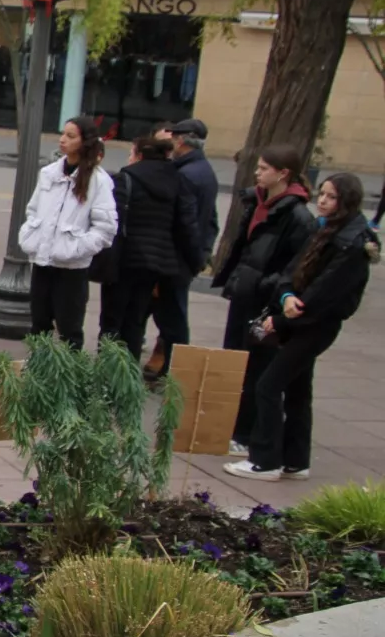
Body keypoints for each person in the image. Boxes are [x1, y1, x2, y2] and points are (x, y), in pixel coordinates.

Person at [224, 173, 375, 481]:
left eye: (331, 197)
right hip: (300, 319)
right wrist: (286, 295)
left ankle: (265, 461)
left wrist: (284, 315)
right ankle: (295, 461)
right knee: (297, 388)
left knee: (268, 385)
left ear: (346, 202)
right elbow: (291, 271)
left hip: (316, 325)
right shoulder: (324, 230)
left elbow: (327, 293)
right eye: (322, 194)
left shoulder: (351, 244)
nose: (322, 200)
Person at [211, 146, 315, 455]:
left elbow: (294, 268)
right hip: (243, 297)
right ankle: (235, 426)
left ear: (283, 173)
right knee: (235, 357)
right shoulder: (256, 201)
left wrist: (263, 286)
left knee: (257, 363)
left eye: (264, 168)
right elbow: (244, 249)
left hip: (265, 305)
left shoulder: (297, 216)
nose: (258, 173)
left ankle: (246, 433)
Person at [18, 117, 118, 350]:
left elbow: (105, 229)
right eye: (63, 134)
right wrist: (31, 234)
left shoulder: (99, 180)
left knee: (70, 330)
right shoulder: (49, 173)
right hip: (42, 261)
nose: (63, 140)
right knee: (39, 324)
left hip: (72, 268)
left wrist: (76, 248)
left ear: (85, 142)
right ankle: (38, 374)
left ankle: (68, 380)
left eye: (71, 136)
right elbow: (33, 210)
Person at [98, 135, 198, 359]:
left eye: (131, 152)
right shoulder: (178, 181)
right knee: (135, 319)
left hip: (124, 260)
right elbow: (186, 225)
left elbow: (112, 220)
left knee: (112, 321)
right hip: (155, 263)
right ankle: (129, 374)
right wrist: (194, 261)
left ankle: (107, 373)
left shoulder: (125, 179)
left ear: (140, 154)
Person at [144, 118, 220, 380]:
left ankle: (176, 372)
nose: (172, 142)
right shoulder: (202, 170)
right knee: (166, 315)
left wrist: (194, 256)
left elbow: (183, 224)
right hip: (182, 259)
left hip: (173, 261)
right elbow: (210, 222)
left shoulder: (186, 174)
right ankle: (168, 368)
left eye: (174, 137)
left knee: (172, 320)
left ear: (182, 140)